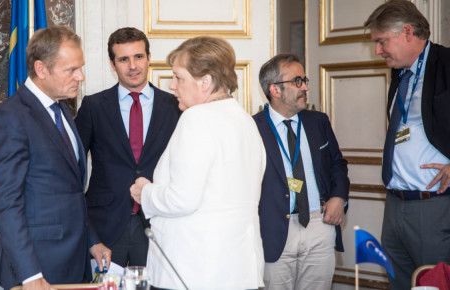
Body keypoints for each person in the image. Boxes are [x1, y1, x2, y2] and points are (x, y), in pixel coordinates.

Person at [129, 36, 266, 289]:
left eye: (179, 77)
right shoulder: (247, 121)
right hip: (239, 270)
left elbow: (182, 199)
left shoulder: (197, 118)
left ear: (205, 82)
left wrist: (144, 192)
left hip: (193, 270)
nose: (172, 85)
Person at [0, 26, 110, 290]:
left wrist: (91, 240)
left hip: (73, 262)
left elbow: (71, 191)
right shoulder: (12, 117)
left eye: (81, 67)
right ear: (41, 70)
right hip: (38, 269)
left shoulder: (61, 107)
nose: (81, 76)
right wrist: (30, 274)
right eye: (71, 70)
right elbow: (6, 204)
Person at [75, 27, 180, 268]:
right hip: (106, 228)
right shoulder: (93, 106)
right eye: (124, 59)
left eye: (138, 57)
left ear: (149, 58)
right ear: (113, 64)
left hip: (159, 223)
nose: (132, 66)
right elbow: (73, 167)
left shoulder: (175, 105)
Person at [364, 1, 450, 288]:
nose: (378, 50)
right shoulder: (400, 74)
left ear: (407, 32)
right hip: (394, 204)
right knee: (398, 283)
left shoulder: (446, 64)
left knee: (433, 283)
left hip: (432, 206)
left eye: (382, 41)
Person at [253, 53, 349, 290]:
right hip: (275, 229)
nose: (305, 87)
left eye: (304, 80)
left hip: (319, 224)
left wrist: (339, 197)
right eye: (297, 81)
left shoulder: (318, 121)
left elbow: (338, 164)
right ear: (275, 89)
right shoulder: (252, 128)